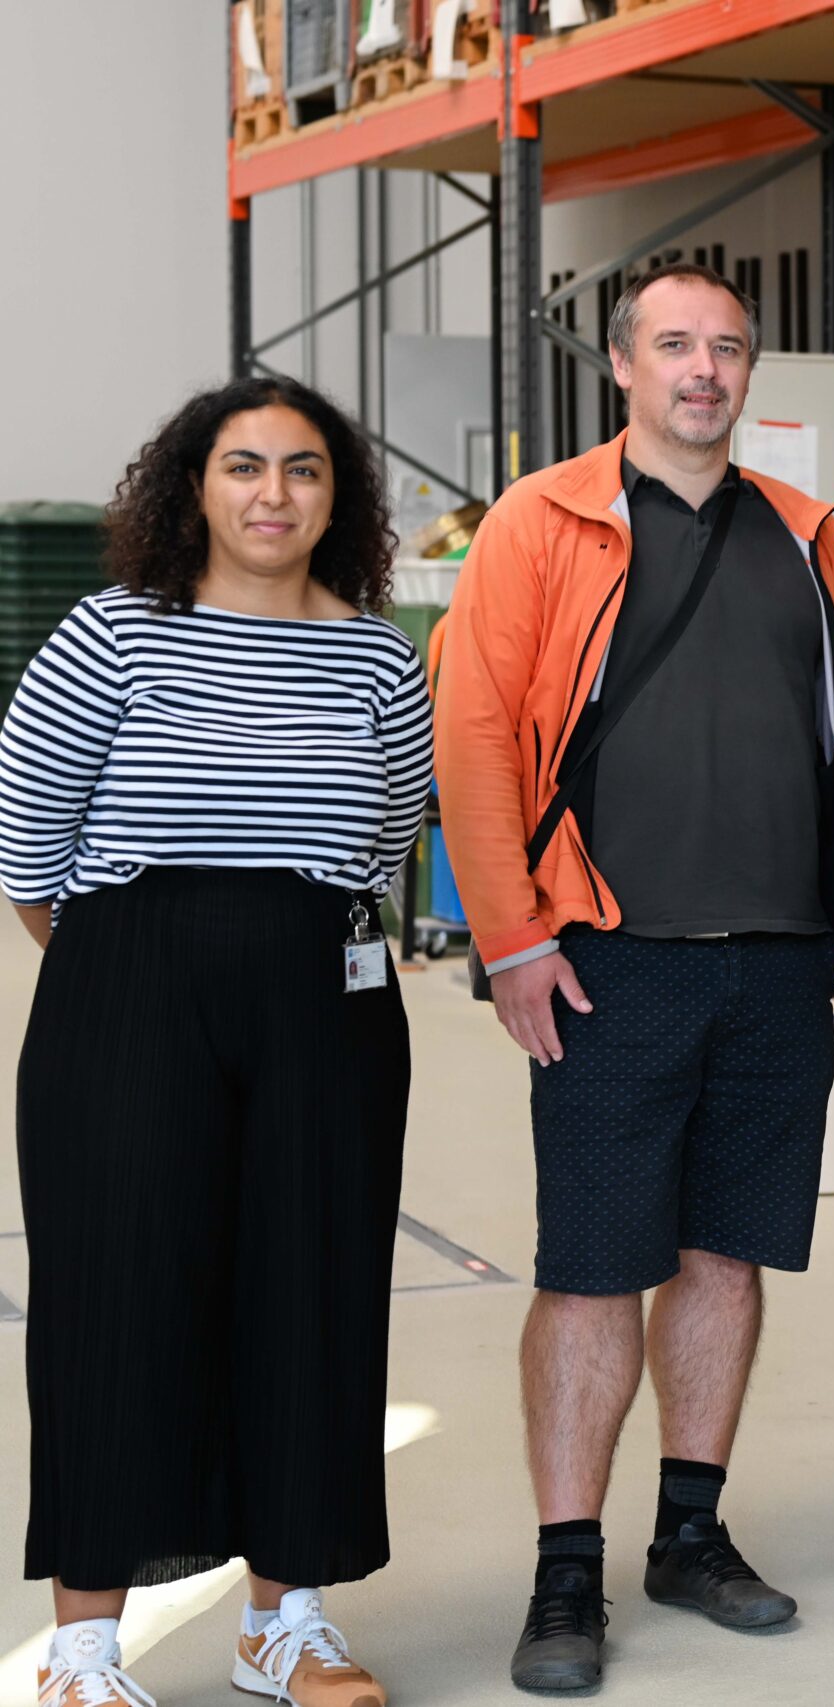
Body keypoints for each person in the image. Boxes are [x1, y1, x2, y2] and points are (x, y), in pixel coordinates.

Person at [434, 262, 834, 1694]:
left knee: (727, 1254)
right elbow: (474, 733)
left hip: (778, 958)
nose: (705, 369)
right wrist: (511, 937)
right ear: (624, 366)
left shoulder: (811, 536)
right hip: (604, 959)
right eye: (676, 345)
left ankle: (689, 1536)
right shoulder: (540, 521)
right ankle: (565, 1569)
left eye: (728, 348)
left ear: (749, 371)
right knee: (591, 1268)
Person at [0, 376, 430, 1707]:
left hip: (325, 999)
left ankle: (283, 1624)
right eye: (244, 465)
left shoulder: (379, 657)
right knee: (117, 1297)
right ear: (194, 485)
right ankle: (82, 1649)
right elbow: (29, 833)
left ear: (337, 498)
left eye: (303, 468)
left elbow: (391, 830)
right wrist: (132, 966)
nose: (272, 493)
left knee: (314, 1293)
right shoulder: (114, 632)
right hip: (130, 986)